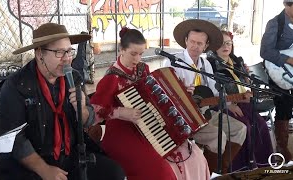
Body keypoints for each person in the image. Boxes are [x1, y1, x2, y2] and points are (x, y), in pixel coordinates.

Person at [0, 23, 125, 180]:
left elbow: (88, 121)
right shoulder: (16, 86)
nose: (67, 59)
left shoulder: (74, 78)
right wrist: (44, 169)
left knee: (114, 173)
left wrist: (82, 110)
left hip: (71, 155)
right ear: (39, 54)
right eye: (59, 52)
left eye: (69, 51)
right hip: (33, 162)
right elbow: (15, 139)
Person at [90, 27, 210, 180]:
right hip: (122, 135)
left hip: (150, 127)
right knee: (161, 171)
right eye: (133, 54)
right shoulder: (111, 78)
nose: (137, 59)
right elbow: (94, 112)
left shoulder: (143, 69)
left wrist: (180, 91)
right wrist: (121, 112)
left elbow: (153, 94)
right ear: (121, 50)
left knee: (194, 157)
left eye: (141, 54)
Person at [163, 19, 247, 173]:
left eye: (200, 43)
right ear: (186, 41)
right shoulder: (172, 62)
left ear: (206, 46)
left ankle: (221, 168)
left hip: (205, 114)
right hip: (185, 118)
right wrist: (180, 91)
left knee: (240, 128)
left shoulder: (206, 64)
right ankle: (206, 173)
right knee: (218, 135)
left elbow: (214, 94)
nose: (195, 46)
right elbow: (165, 94)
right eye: (192, 42)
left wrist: (230, 101)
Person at [209, 30, 273, 171]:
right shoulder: (210, 64)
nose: (225, 46)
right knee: (245, 127)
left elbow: (245, 83)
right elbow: (213, 91)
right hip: (224, 104)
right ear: (214, 45)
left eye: (228, 43)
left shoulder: (237, 61)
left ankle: (261, 163)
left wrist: (248, 80)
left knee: (261, 124)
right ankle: (241, 166)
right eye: (221, 43)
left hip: (244, 103)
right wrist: (229, 104)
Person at [260, 0, 293, 162]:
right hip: (279, 73)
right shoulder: (275, 23)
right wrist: (289, 59)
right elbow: (265, 51)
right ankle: (282, 155)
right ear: (287, 5)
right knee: (284, 111)